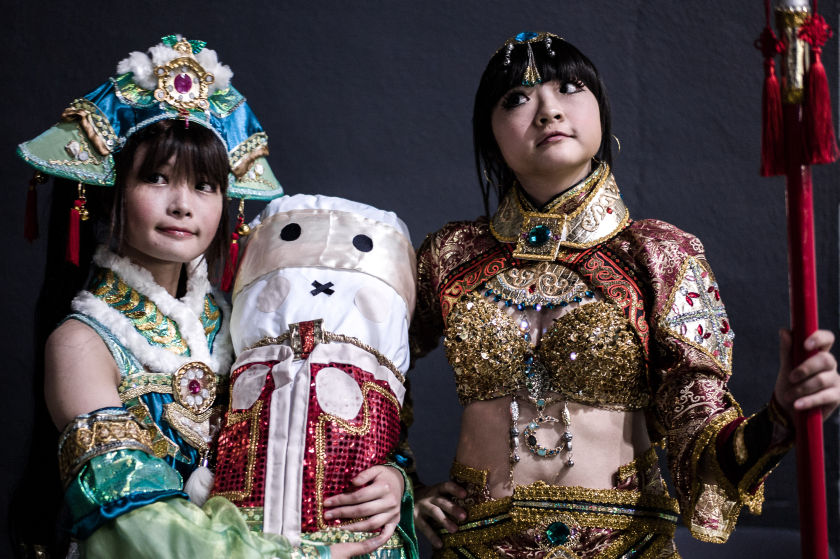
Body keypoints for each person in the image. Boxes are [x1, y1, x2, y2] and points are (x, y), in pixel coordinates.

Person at [408, 31, 840, 558]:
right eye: (516, 98)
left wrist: (781, 417)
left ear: (601, 109)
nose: (547, 111)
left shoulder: (659, 255)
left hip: (625, 548)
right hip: (474, 547)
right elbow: (368, 373)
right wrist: (401, 480)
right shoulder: (448, 255)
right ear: (489, 133)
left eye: (569, 88)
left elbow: (699, 440)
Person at [16, 35, 402, 559]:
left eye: (204, 185)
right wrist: (306, 557)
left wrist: (390, 480)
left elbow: (324, 430)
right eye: (155, 178)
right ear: (111, 191)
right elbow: (136, 525)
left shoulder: (241, 323)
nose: (182, 205)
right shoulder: (83, 342)